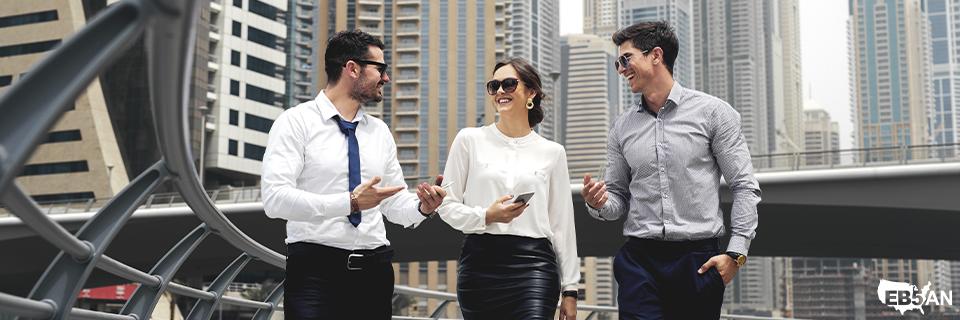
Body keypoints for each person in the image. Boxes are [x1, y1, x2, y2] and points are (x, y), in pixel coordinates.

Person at [260, 30, 446, 319]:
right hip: (315, 274)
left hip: (375, 275)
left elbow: (392, 203)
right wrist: (350, 202)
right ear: (352, 68)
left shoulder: (379, 132)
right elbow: (275, 200)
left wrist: (423, 207)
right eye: (380, 69)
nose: (386, 78)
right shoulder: (295, 123)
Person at [581, 21, 761, 319]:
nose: (621, 69)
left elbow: (744, 185)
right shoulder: (621, 128)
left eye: (626, 59)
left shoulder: (714, 113)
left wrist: (736, 253)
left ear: (656, 55)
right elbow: (617, 201)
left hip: (698, 262)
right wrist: (597, 203)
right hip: (639, 261)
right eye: (618, 62)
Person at [436, 57, 579, 320]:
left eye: (509, 84)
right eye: (494, 86)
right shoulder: (469, 140)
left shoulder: (553, 152)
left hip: (534, 266)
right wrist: (486, 216)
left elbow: (562, 225)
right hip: (480, 265)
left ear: (531, 92)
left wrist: (570, 289)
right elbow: (446, 205)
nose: (500, 91)